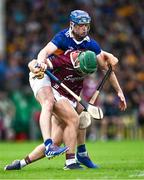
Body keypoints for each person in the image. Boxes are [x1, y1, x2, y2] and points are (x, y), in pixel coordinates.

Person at [5, 9, 123, 169]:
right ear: (72, 25)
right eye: (81, 26)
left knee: (60, 137)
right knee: (69, 116)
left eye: (87, 26)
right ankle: (69, 160)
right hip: (55, 90)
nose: (85, 29)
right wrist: (36, 65)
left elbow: (107, 65)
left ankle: (20, 163)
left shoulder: (90, 48)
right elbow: (39, 57)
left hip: (70, 94)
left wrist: (119, 91)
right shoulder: (65, 56)